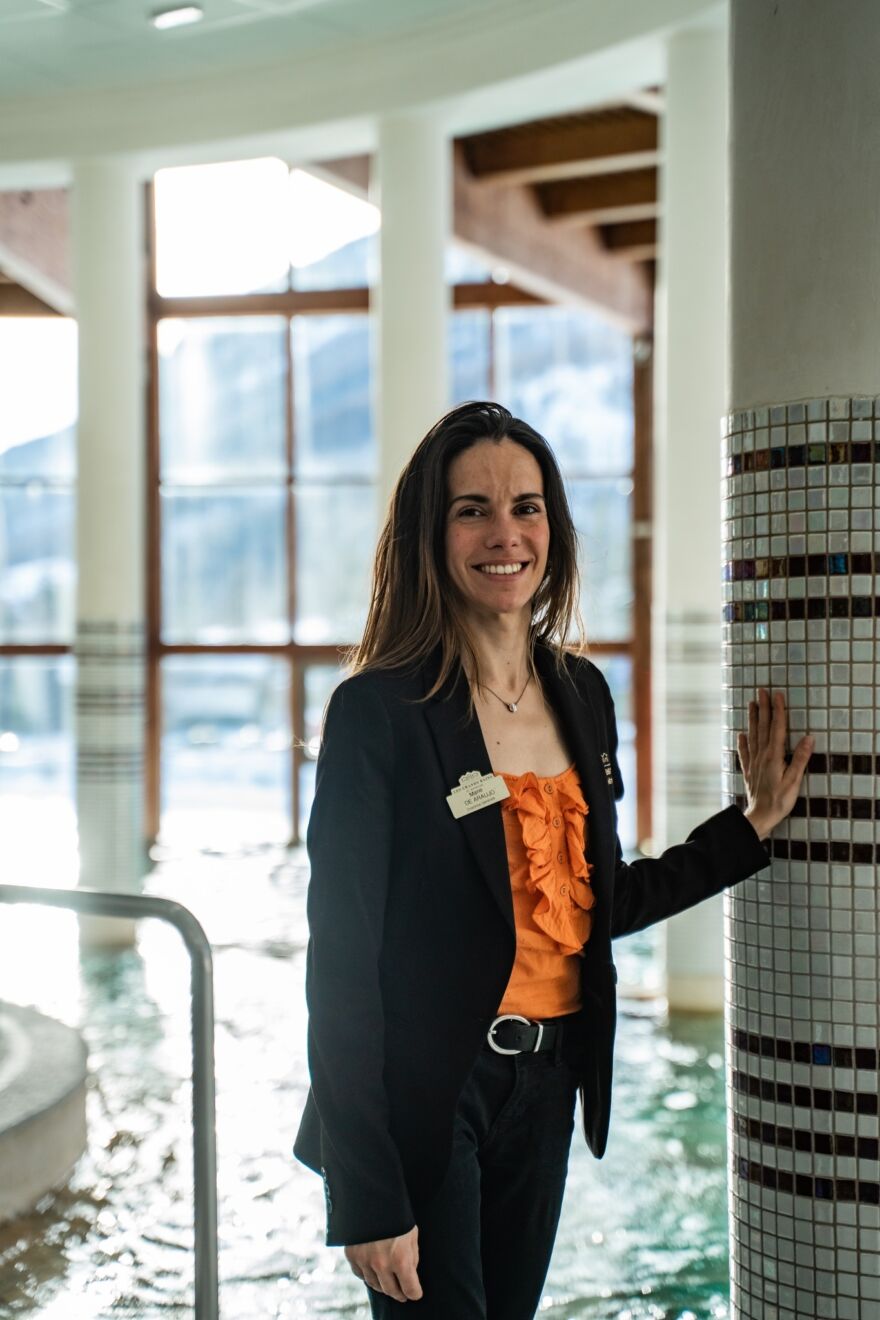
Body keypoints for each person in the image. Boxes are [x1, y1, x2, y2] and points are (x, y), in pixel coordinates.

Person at [294, 400, 812, 1319]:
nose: (505, 534)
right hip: (436, 1086)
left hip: (550, 1079)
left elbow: (593, 903)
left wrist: (747, 827)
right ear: (431, 530)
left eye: (526, 507)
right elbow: (341, 966)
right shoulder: (379, 713)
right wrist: (366, 1198)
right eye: (473, 509)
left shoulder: (581, 690)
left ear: (554, 527)